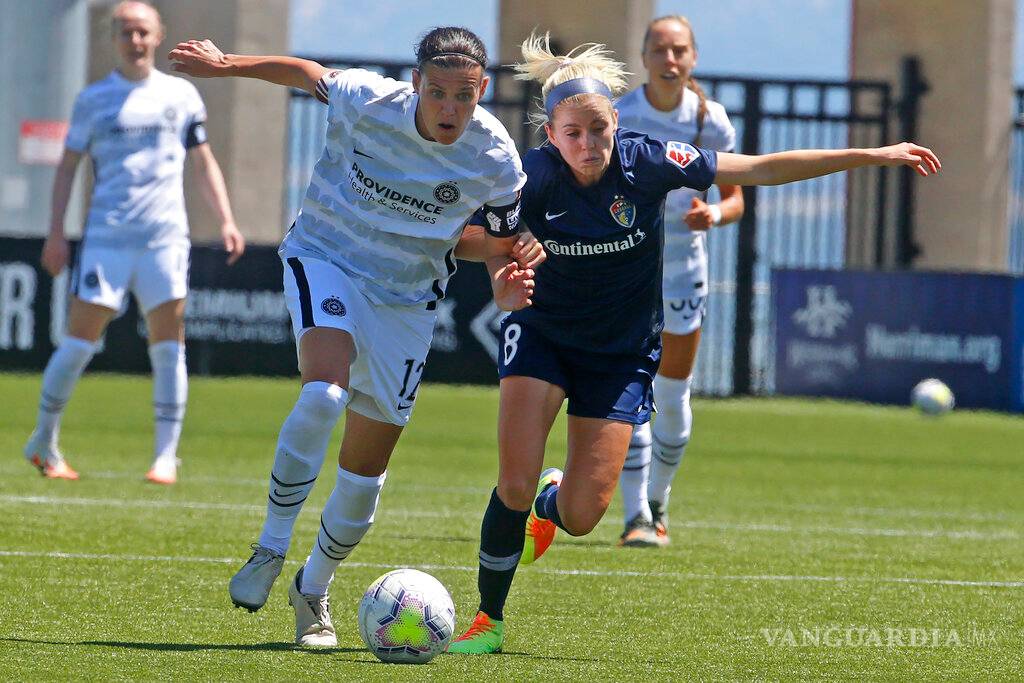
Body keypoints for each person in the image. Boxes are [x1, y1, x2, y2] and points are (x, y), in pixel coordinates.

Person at [448, 33, 940, 655]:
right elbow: (467, 236)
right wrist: (504, 269)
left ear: (616, 122)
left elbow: (759, 169)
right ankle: (487, 622)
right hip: (542, 334)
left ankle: (553, 501)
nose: (588, 144)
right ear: (551, 134)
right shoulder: (531, 176)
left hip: (619, 353)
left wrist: (872, 154)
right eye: (573, 133)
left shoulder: (648, 161)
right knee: (511, 484)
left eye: (599, 129)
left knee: (581, 516)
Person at [168, 26, 542, 648]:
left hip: (407, 300)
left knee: (364, 477)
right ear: (416, 82)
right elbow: (303, 72)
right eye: (438, 92)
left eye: (465, 95)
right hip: (327, 257)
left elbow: (492, 245)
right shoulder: (369, 98)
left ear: (482, 90)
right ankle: (270, 547)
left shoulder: (497, 159)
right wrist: (226, 64)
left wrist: (507, 278)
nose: (450, 108)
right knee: (323, 393)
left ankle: (311, 587)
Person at [23, 0, 244, 485]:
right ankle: (43, 440)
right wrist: (56, 232)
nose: (135, 40)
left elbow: (203, 161)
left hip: (165, 238)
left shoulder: (181, 95)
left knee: (168, 346)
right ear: (114, 39)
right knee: (78, 342)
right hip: (107, 238)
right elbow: (68, 167)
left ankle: (166, 456)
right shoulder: (93, 99)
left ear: (159, 35)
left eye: (143, 31)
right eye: (126, 31)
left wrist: (227, 219)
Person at [612, 14, 745, 547]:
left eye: (679, 50)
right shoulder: (620, 114)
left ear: (693, 58)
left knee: (671, 392)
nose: (670, 59)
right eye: (660, 49)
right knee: (627, 386)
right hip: (628, 266)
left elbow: (735, 199)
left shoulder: (710, 120)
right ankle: (635, 516)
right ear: (644, 57)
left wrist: (713, 215)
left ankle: (659, 502)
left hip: (685, 267)